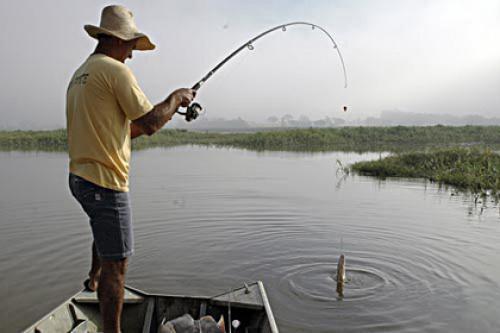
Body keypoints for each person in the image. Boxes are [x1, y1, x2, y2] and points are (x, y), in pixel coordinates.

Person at [66, 5, 196, 333]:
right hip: (105, 181)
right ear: (114, 40)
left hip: (80, 178)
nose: (131, 55)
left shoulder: (81, 74)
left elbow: (130, 129)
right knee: (118, 263)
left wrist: (164, 112)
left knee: (103, 230)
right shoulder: (115, 71)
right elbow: (150, 122)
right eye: (130, 46)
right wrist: (177, 97)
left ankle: (94, 279)